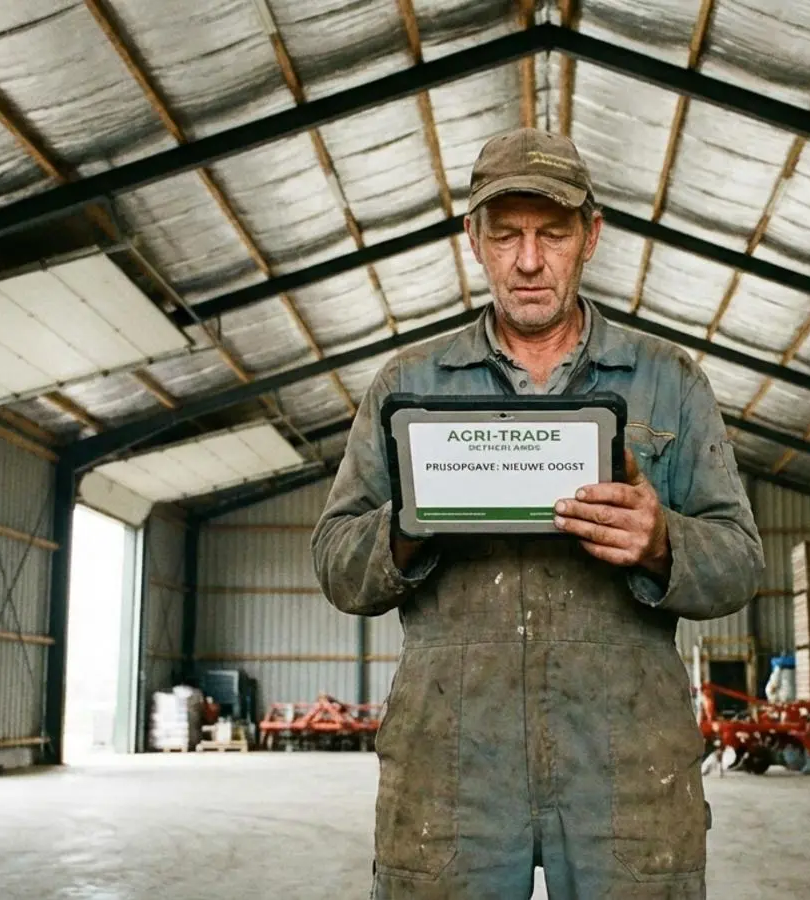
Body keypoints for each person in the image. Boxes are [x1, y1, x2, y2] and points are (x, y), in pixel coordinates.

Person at [312, 127, 764, 899]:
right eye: (506, 235)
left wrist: (662, 543)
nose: (528, 261)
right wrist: (408, 527)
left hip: (628, 766)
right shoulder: (407, 385)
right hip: (450, 771)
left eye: (552, 234)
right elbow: (336, 559)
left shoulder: (667, 381)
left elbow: (740, 560)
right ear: (473, 240)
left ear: (592, 236)